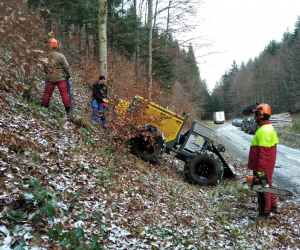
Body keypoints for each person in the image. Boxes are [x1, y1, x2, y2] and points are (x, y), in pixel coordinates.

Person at [243, 103, 279, 218]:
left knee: (263, 188)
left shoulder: (264, 131)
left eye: (256, 115)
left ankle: (265, 213)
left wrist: (259, 172)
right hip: (267, 165)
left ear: (261, 115)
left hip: (263, 166)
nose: (254, 117)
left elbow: (263, 154)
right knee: (268, 185)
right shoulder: (267, 127)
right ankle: (273, 206)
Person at [41, 38, 71, 115]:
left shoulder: (46, 56)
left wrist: (47, 73)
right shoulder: (61, 56)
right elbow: (66, 67)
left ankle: (43, 108)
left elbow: (44, 66)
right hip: (60, 78)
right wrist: (68, 75)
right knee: (64, 93)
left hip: (50, 77)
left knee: (47, 93)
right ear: (57, 46)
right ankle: (68, 110)